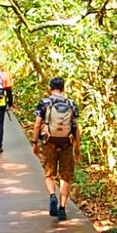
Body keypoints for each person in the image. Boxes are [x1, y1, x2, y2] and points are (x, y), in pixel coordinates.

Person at [31, 77, 80, 221]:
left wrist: (34, 143)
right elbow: (76, 127)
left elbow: (37, 125)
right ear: (63, 88)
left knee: (49, 174)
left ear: (50, 88)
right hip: (67, 143)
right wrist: (77, 146)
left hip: (49, 142)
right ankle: (62, 208)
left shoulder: (45, 103)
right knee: (65, 176)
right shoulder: (71, 104)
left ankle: (52, 195)